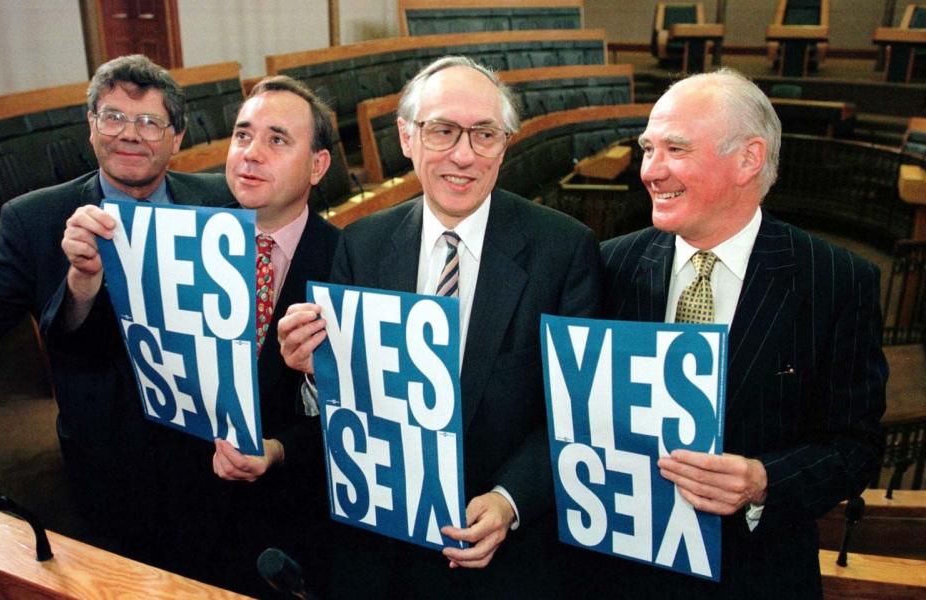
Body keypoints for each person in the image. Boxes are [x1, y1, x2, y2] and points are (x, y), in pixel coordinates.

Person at [277, 55, 602, 599]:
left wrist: (509, 500)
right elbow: (344, 413)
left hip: (504, 560)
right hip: (383, 554)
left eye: (485, 134)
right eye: (442, 130)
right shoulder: (362, 246)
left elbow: (576, 414)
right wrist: (314, 376)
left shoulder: (564, 249)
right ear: (406, 136)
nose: (464, 155)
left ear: (506, 142)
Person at [590, 68, 886, 599]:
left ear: (749, 158)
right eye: (647, 149)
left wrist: (762, 481)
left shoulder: (835, 280)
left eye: (674, 149)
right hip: (618, 573)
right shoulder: (608, 265)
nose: (651, 171)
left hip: (755, 574)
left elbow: (854, 444)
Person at [0, 54, 235, 565]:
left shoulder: (221, 204)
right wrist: (82, 283)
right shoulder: (33, 221)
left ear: (177, 138)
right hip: (109, 459)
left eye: (149, 122)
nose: (129, 134)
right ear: (91, 128)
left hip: (212, 449)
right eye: (112, 117)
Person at [189, 74, 340, 597]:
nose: (250, 154)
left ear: (317, 165)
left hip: (294, 527)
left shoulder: (351, 263)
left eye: (277, 140)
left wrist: (277, 450)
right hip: (188, 515)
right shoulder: (187, 245)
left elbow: (356, 413)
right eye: (242, 135)